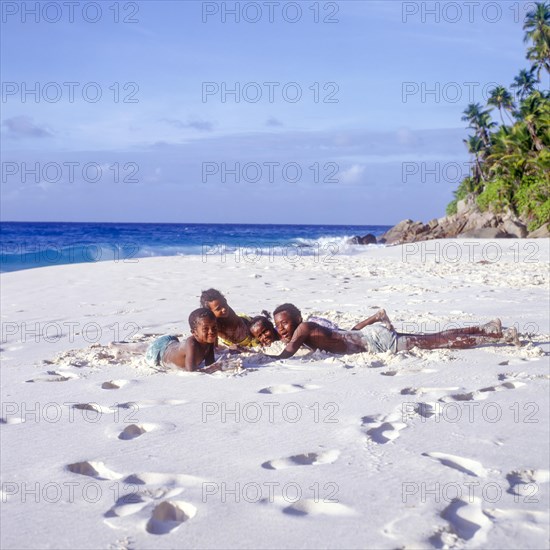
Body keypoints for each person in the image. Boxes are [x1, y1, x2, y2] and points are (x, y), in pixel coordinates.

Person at [265, 303, 520, 360]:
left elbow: (286, 354)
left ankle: (498, 336)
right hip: (371, 337)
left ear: (297, 319)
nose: (281, 329)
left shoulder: (305, 328)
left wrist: (265, 359)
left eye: (285, 323)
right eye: (278, 325)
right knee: (434, 338)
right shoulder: (306, 328)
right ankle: (486, 328)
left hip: (377, 342)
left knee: (439, 342)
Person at [145, 308, 240, 372]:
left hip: (173, 343)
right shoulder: (192, 344)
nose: (211, 332)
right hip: (158, 352)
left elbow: (209, 363)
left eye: (214, 327)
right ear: (194, 332)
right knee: (139, 349)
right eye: (205, 329)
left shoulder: (209, 341)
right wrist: (217, 367)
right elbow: (191, 371)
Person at [250, 308, 394, 348]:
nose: (264, 336)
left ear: (271, 325)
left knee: (347, 335)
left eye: (265, 331)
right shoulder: (270, 338)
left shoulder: (280, 331)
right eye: (260, 336)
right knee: (351, 332)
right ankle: (376, 316)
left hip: (316, 324)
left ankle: (377, 317)